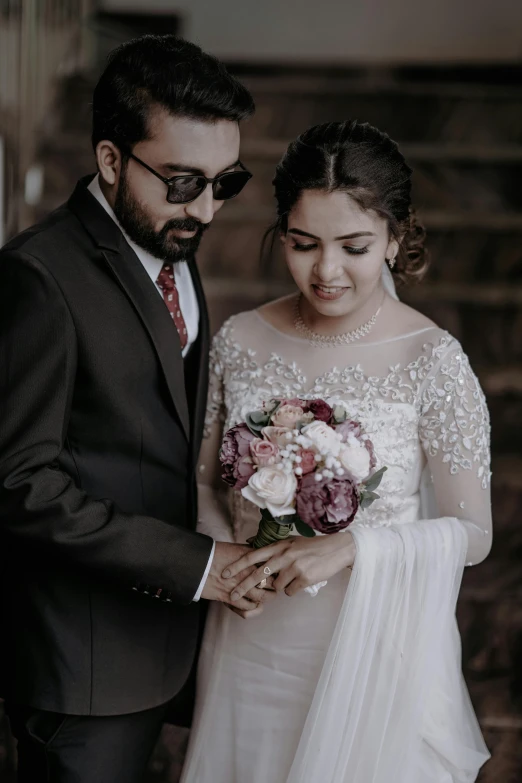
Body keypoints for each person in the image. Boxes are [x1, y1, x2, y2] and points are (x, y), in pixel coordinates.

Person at [181, 120, 493, 783]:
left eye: (354, 246)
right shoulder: (239, 339)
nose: (326, 270)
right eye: (303, 244)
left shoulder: (430, 359)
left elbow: (474, 533)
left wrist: (355, 545)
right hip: (253, 641)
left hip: (373, 647)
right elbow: (205, 485)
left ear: (396, 237)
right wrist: (229, 564)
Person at [0, 35, 272, 783]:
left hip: (164, 648)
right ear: (113, 160)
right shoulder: (37, 278)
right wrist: (198, 564)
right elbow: (20, 485)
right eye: (183, 182)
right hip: (81, 668)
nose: (208, 209)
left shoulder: (168, 244)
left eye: (227, 182)